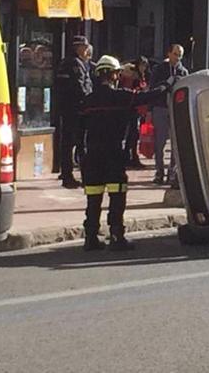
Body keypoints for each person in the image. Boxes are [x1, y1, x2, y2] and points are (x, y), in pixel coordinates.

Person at [80, 55, 175, 251]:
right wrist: (167, 85)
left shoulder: (87, 100)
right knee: (117, 195)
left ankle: (90, 238)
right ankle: (116, 236)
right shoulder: (120, 96)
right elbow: (145, 97)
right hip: (113, 153)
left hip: (92, 155)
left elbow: (77, 128)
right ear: (113, 75)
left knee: (94, 197)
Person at [54, 35, 93, 189]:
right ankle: (77, 176)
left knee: (69, 144)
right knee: (79, 145)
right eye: (85, 47)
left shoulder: (75, 63)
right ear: (78, 48)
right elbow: (79, 88)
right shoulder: (74, 64)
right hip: (75, 110)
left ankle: (68, 174)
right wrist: (89, 101)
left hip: (70, 109)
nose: (87, 50)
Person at [149, 43, 189, 186]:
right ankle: (159, 171)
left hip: (174, 110)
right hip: (160, 108)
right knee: (159, 143)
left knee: (175, 144)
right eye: (175, 54)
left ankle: (172, 173)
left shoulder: (183, 71)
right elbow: (152, 88)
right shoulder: (159, 69)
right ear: (169, 54)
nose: (177, 58)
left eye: (180, 55)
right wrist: (166, 83)